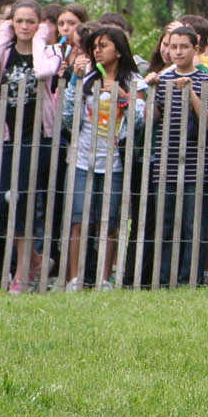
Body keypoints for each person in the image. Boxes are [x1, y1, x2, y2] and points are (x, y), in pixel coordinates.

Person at [0, 0, 62, 292]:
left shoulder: (51, 51)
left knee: (23, 201)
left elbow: (42, 73)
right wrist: (2, 39)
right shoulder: (4, 53)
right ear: (11, 24)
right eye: (19, 22)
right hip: (7, 135)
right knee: (3, 202)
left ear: (39, 24)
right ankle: (36, 260)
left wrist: (39, 40)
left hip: (36, 135)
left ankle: (24, 271)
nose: (25, 27)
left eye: (30, 22)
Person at [59, 25, 145, 290]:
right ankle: (75, 279)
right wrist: (75, 80)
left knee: (108, 223)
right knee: (79, 220)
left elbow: (141, 121)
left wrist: (124, 96)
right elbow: (68, 118)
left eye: (103, 45)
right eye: (95, 46)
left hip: (115, 162)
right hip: (84, 158)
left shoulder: (134, 81)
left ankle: (103, 279)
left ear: (118, 51)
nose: (97, 51)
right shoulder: (86, 79)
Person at [146, 24, 208, 287]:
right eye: (173, 46)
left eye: (183, 47)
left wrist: (191, 94)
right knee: (164, 224)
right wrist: (152, 91)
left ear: (195, 49)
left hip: (195, 165)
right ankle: (164, 278)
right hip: (164, 164)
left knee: (193, 225)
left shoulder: (206, 80)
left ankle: (191, 278)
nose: (177, 52)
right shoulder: (162, 78)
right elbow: (150, 121)